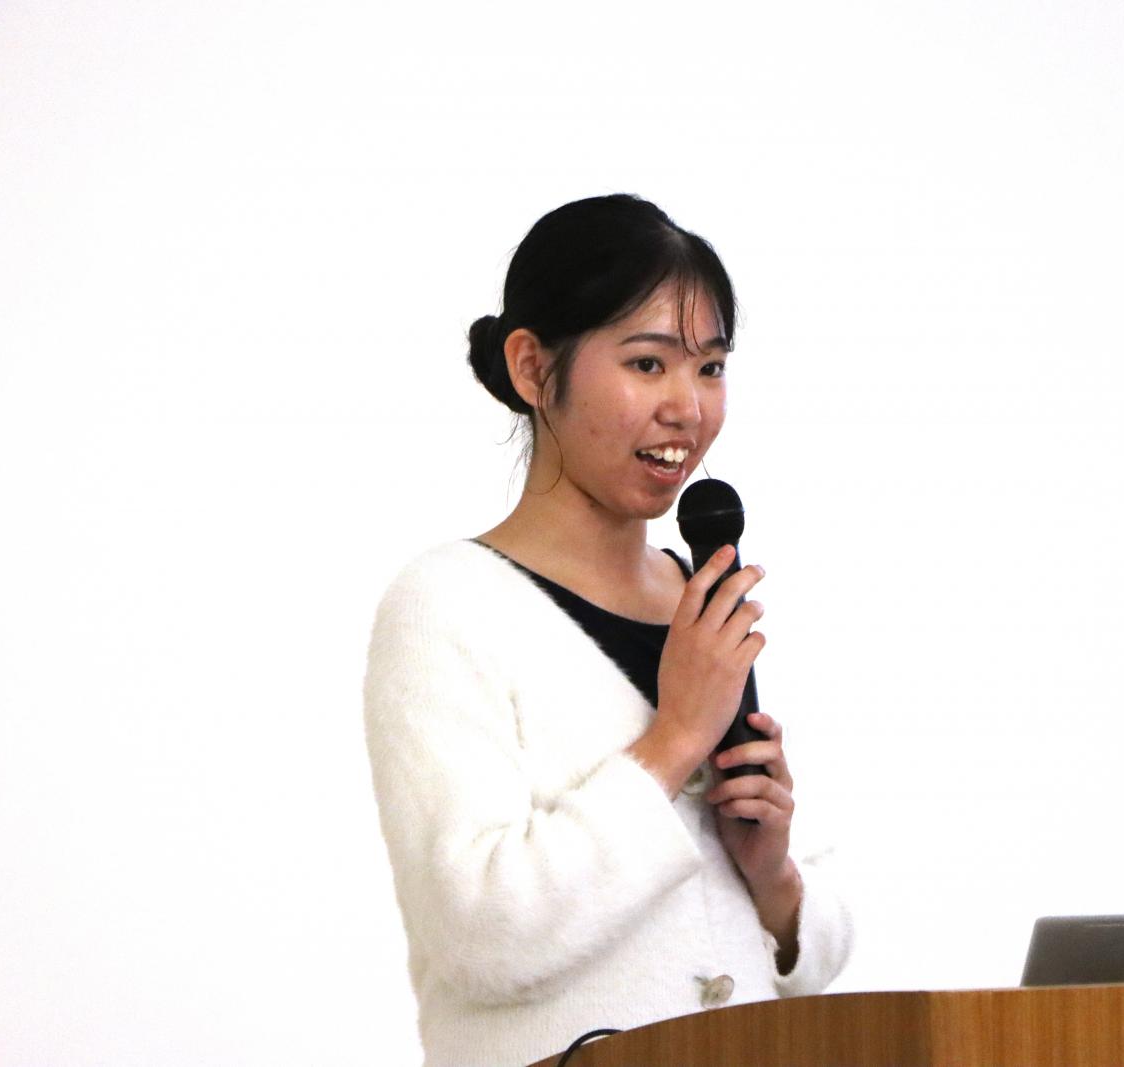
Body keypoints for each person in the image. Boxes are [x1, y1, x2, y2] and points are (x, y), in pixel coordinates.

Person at [362, 194, 851, 1067]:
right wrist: (673, 742)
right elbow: (478, 936)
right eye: (647, 363)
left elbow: (816, 946)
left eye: (710, 368)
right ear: (531, 367)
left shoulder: (705, 594)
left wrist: (773, 874)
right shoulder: (446, 604)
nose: (688, 408)